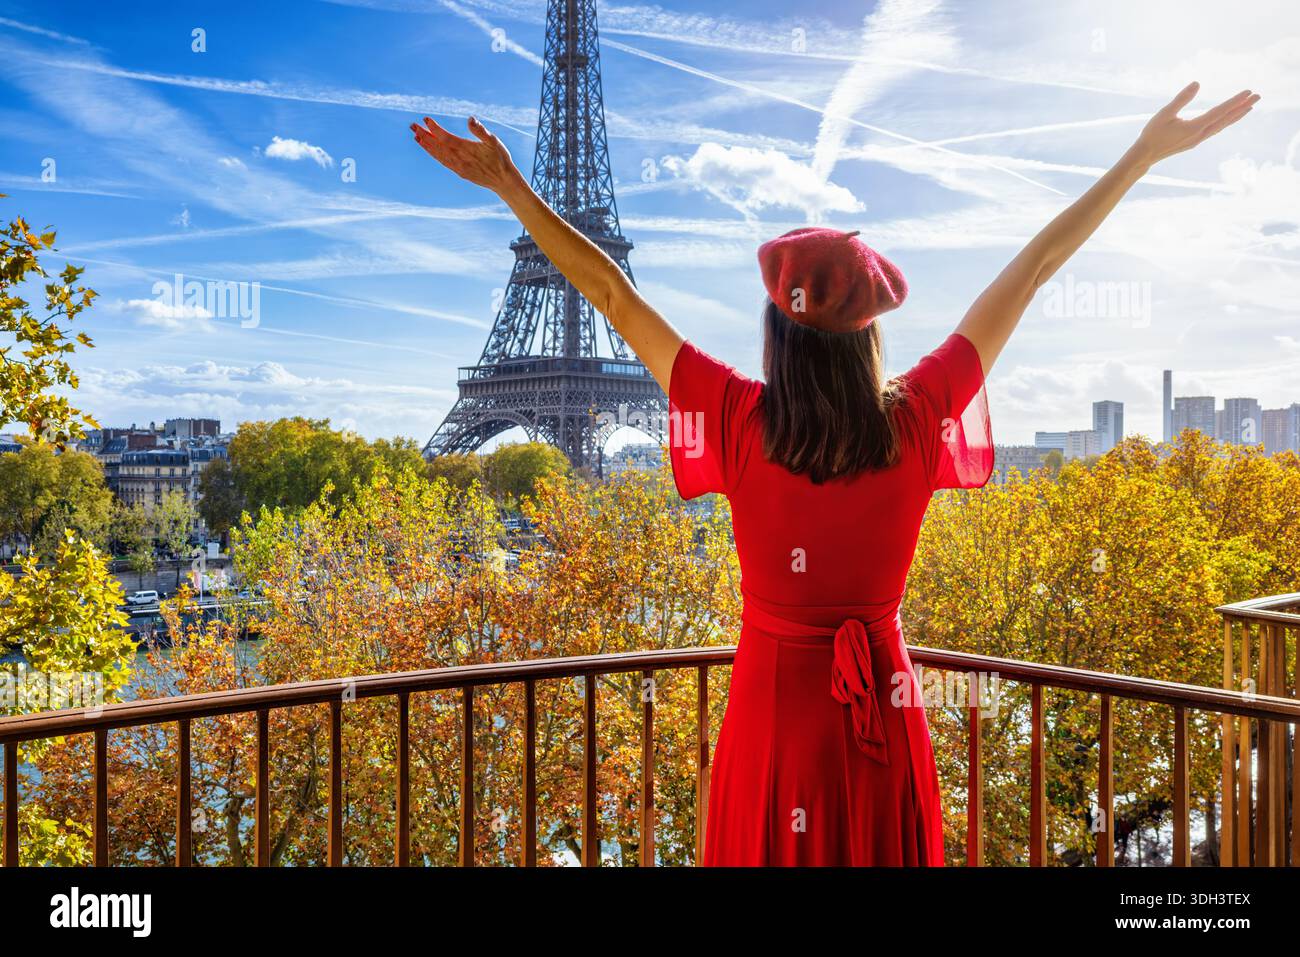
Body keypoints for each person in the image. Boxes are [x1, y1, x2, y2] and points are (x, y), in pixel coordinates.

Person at [411, 81, 1258, 865]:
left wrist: (512, 190)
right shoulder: (919, 420)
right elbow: (1033, 271)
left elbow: (610, 293)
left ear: (780, 327)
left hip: (770, 726)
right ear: (869, 329)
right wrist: (1140, 157)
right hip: (881, 721)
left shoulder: (740, 418)